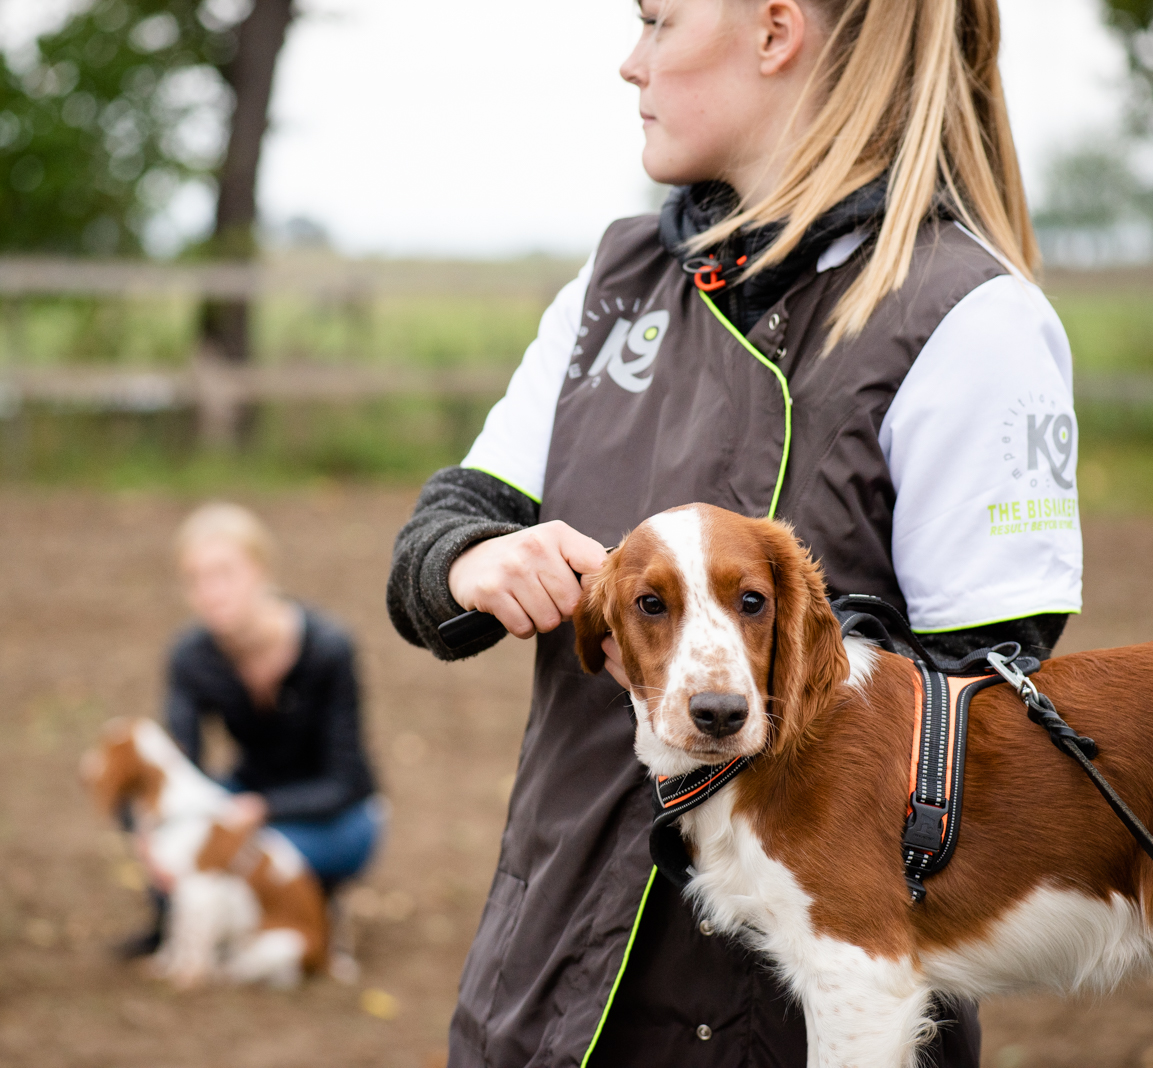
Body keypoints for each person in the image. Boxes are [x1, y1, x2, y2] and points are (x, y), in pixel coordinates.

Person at [387, 0, 1082, 1064]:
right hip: (543, 980)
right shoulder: (610, 285)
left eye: (659, 20)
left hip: (798, 1010)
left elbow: (988, 705)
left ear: (772, 32)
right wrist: (472, 559)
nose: (631, 63)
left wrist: (751, 651)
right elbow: (438, 540)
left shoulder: (968, 315)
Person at [121, 502, 381, 958]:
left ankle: (313, 904)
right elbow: (182, 768)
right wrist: (151, 829)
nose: (210, 592)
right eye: (196, 579)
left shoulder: (328, 648)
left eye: (224, 573)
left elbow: (345, 781)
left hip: (338, 814)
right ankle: (172, 919)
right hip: (247, 796)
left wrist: (259, 810)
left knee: (247, 855)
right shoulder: (192, 657)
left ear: (261, 571)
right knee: (180, 831)